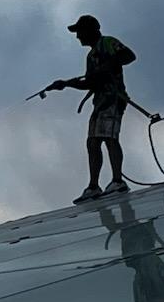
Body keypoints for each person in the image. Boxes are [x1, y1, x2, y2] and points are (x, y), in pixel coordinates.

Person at [44, 15, 137, 204]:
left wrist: (109, 64)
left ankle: (117, 181)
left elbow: (129, 56)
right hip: (100, 102)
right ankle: (93, 186)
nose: (78, 36)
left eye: (79, 32)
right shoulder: (91, 55)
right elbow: (90, 83)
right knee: (93, 142)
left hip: (113, 99)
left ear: (90, 30)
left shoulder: (108, 43)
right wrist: (66, 84)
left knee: (110, 138)